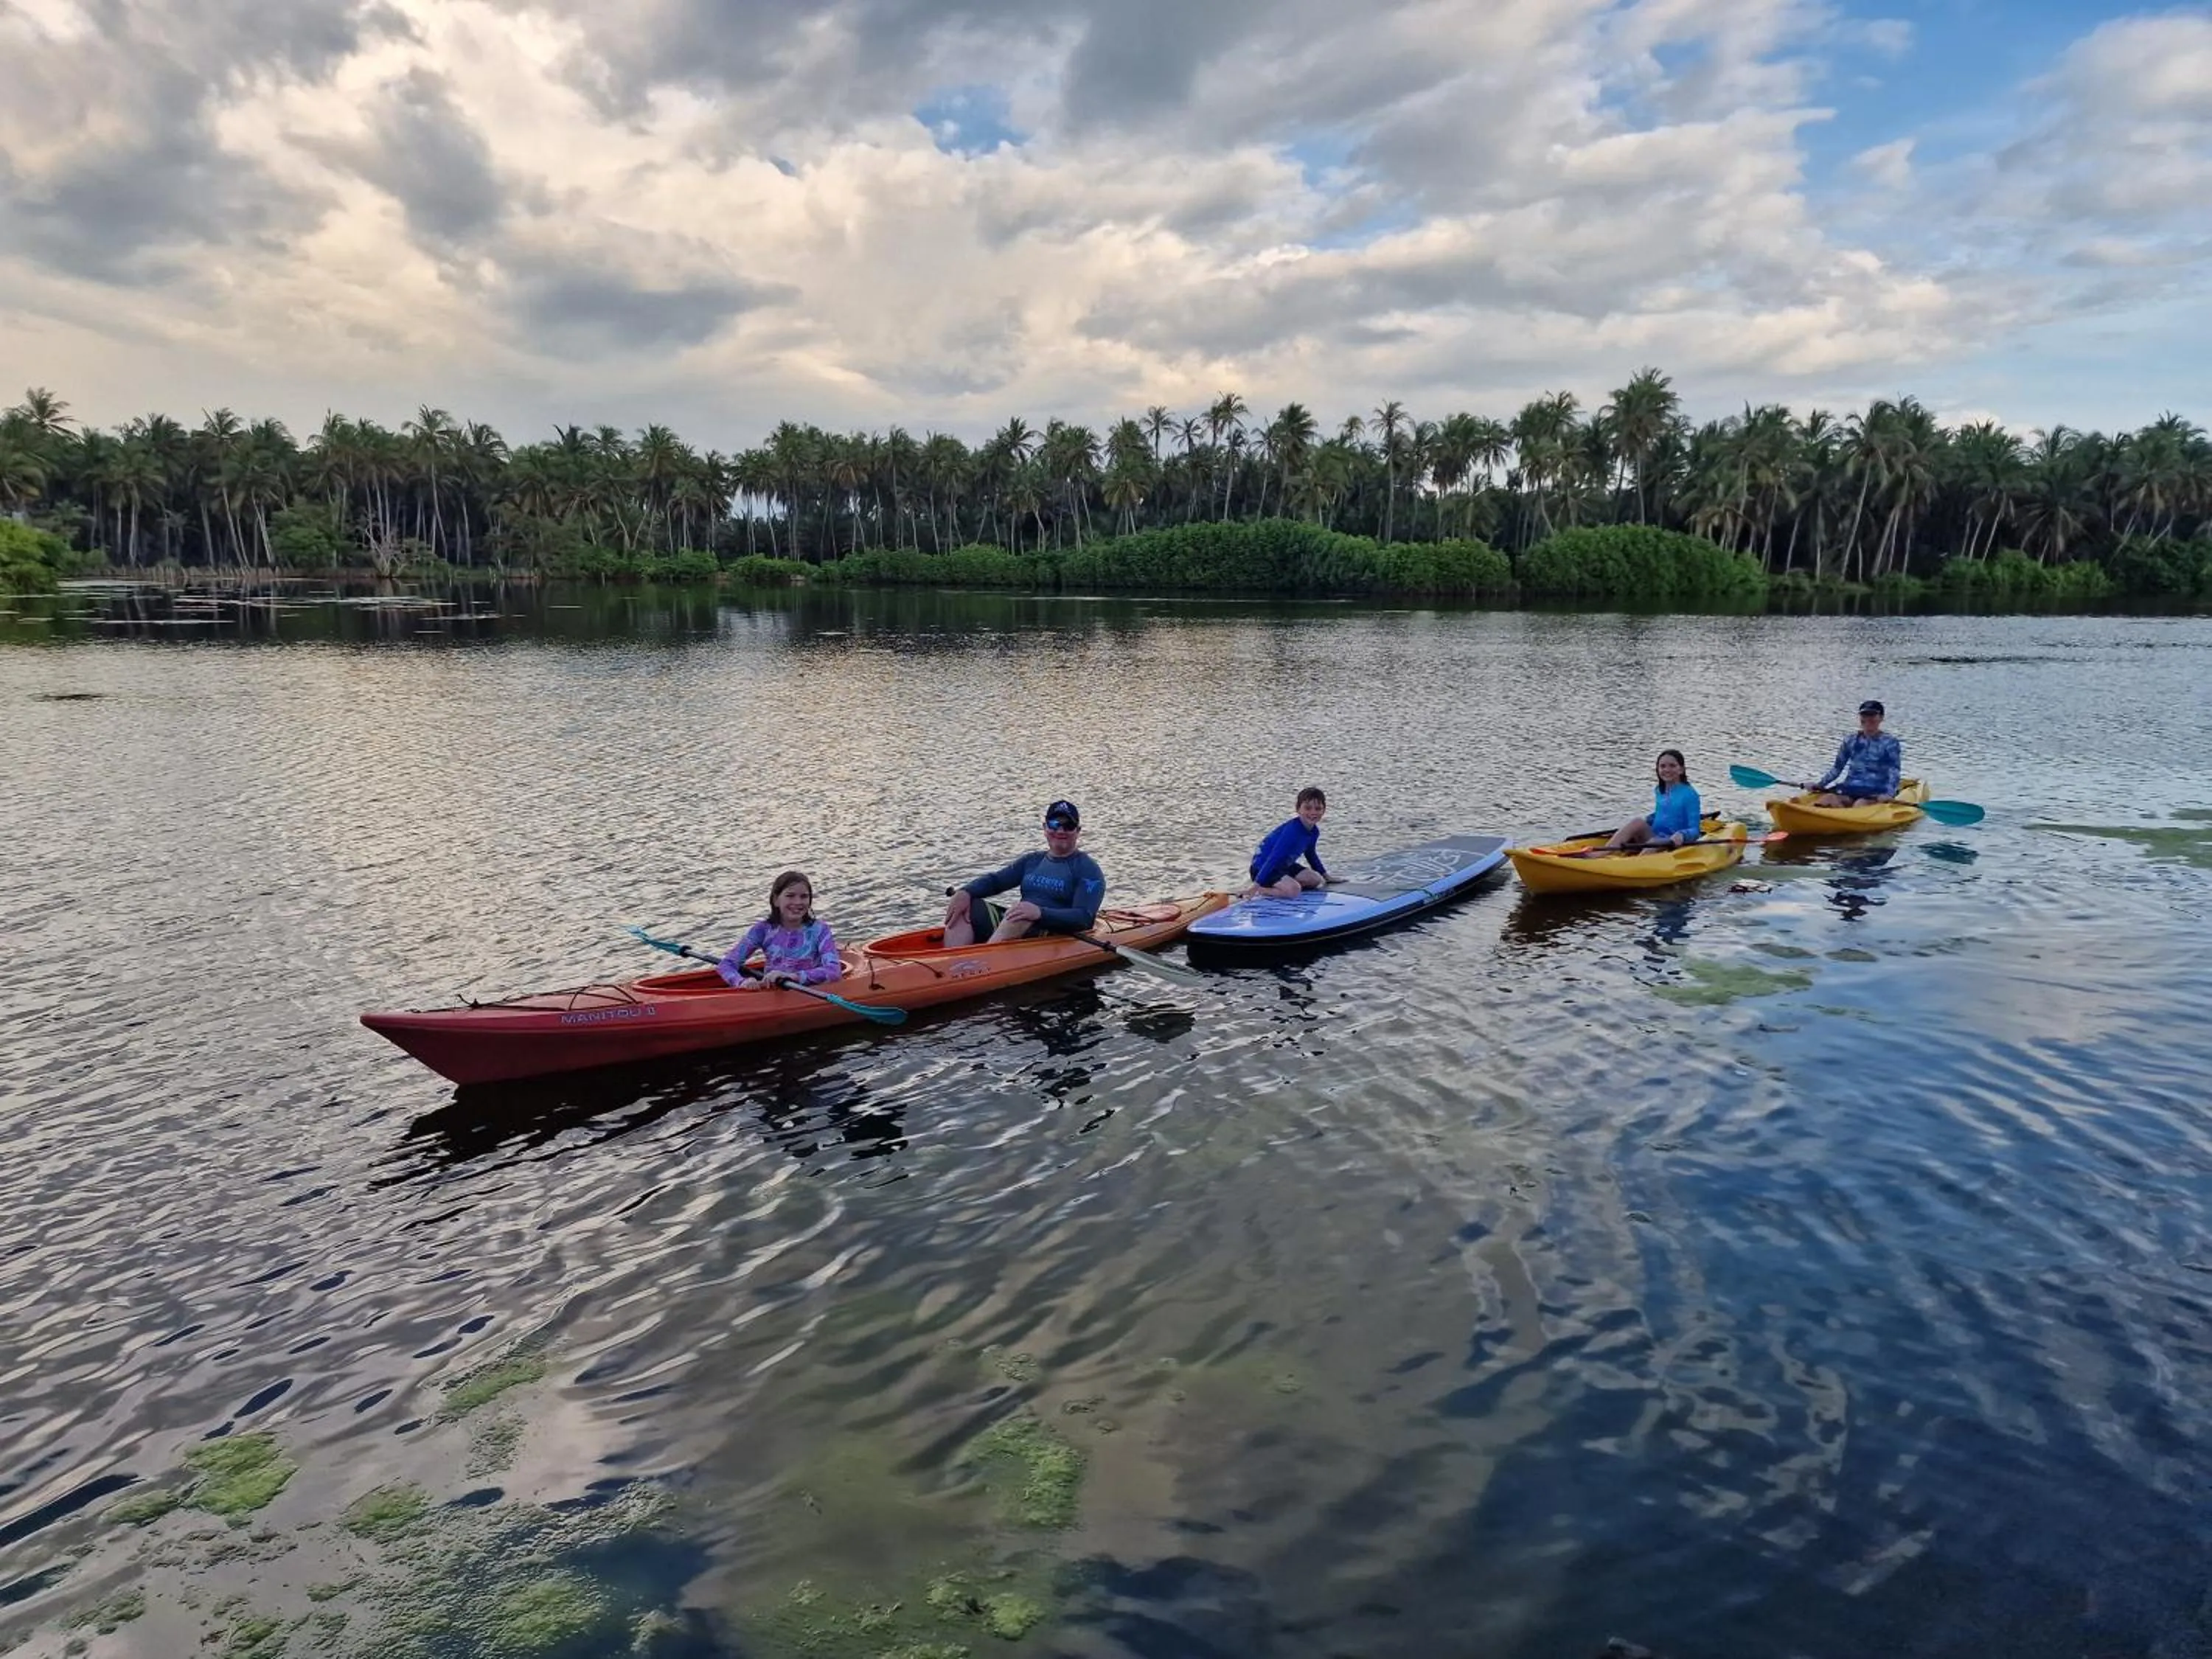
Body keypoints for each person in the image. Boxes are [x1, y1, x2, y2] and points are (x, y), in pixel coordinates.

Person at [942, 800, 1106, 947]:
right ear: (1045, 828)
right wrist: (965, 891)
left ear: (1078, 831)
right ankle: (951, 964)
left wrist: (1040, 913)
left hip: (1056, 934)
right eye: (1055, 824)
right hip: (1021, 928)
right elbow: (996, 881)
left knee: (1020, 914)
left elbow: (1084, 918)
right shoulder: (1032, 861)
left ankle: (982, 964)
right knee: (966, 904)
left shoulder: (1088, 870)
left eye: (1068, 826)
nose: (1061, 830)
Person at [717, 871, 844, 989]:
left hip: (809, 991)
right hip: (772, 992)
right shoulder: (762, 930)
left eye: (804, 897)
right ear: (776, 900)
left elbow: (834, 971)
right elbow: (726, 964)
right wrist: (742, 981)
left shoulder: (820, 930)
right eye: (790, 896)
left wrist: (793, 977)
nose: (798, 902)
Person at [1573, 748, 1703, 857]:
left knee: (1655, 841)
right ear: (1657, 770)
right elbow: (1664, 813)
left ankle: (1633, 864)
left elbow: (1695, 830)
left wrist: (1682, 835)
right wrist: (1647, 821)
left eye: (1672, 766)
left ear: (1681, 769)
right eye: (1662, 766)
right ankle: (1599, 854)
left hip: (1673, 842)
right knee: (1638, 822)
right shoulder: (1660, 790)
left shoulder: (1690, 795)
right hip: (1655, 837)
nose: (1667, 770)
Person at [1245, 786, 1338, 898]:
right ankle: (1260, 890)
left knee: (1315, 879)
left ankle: (1283, 885)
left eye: (1318, 809)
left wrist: (1326, 876)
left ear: (1324, 810)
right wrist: (1256, 884)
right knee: (1294, 891)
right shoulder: (1292, 831)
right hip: (1263, 867)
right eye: (1308, 808)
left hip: (1284, 866)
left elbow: (1311, 855)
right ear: (1298, 809)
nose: (1313, 812)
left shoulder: (1314, 831)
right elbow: (1275, 856)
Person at [1809, 700, 1902, 806]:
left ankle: (1843, 816)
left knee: (1860, 804)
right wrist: (1820, 785)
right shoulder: (1850, 740)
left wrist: (1889, 794)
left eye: (1872, 715)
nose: (1867, 719)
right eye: (1864, 715)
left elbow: (1894, 771)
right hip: (1851, 788)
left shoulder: (1890, 743)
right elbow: (1837, 769)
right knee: (1828, 798)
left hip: (1876, 791)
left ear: (1881, 718)